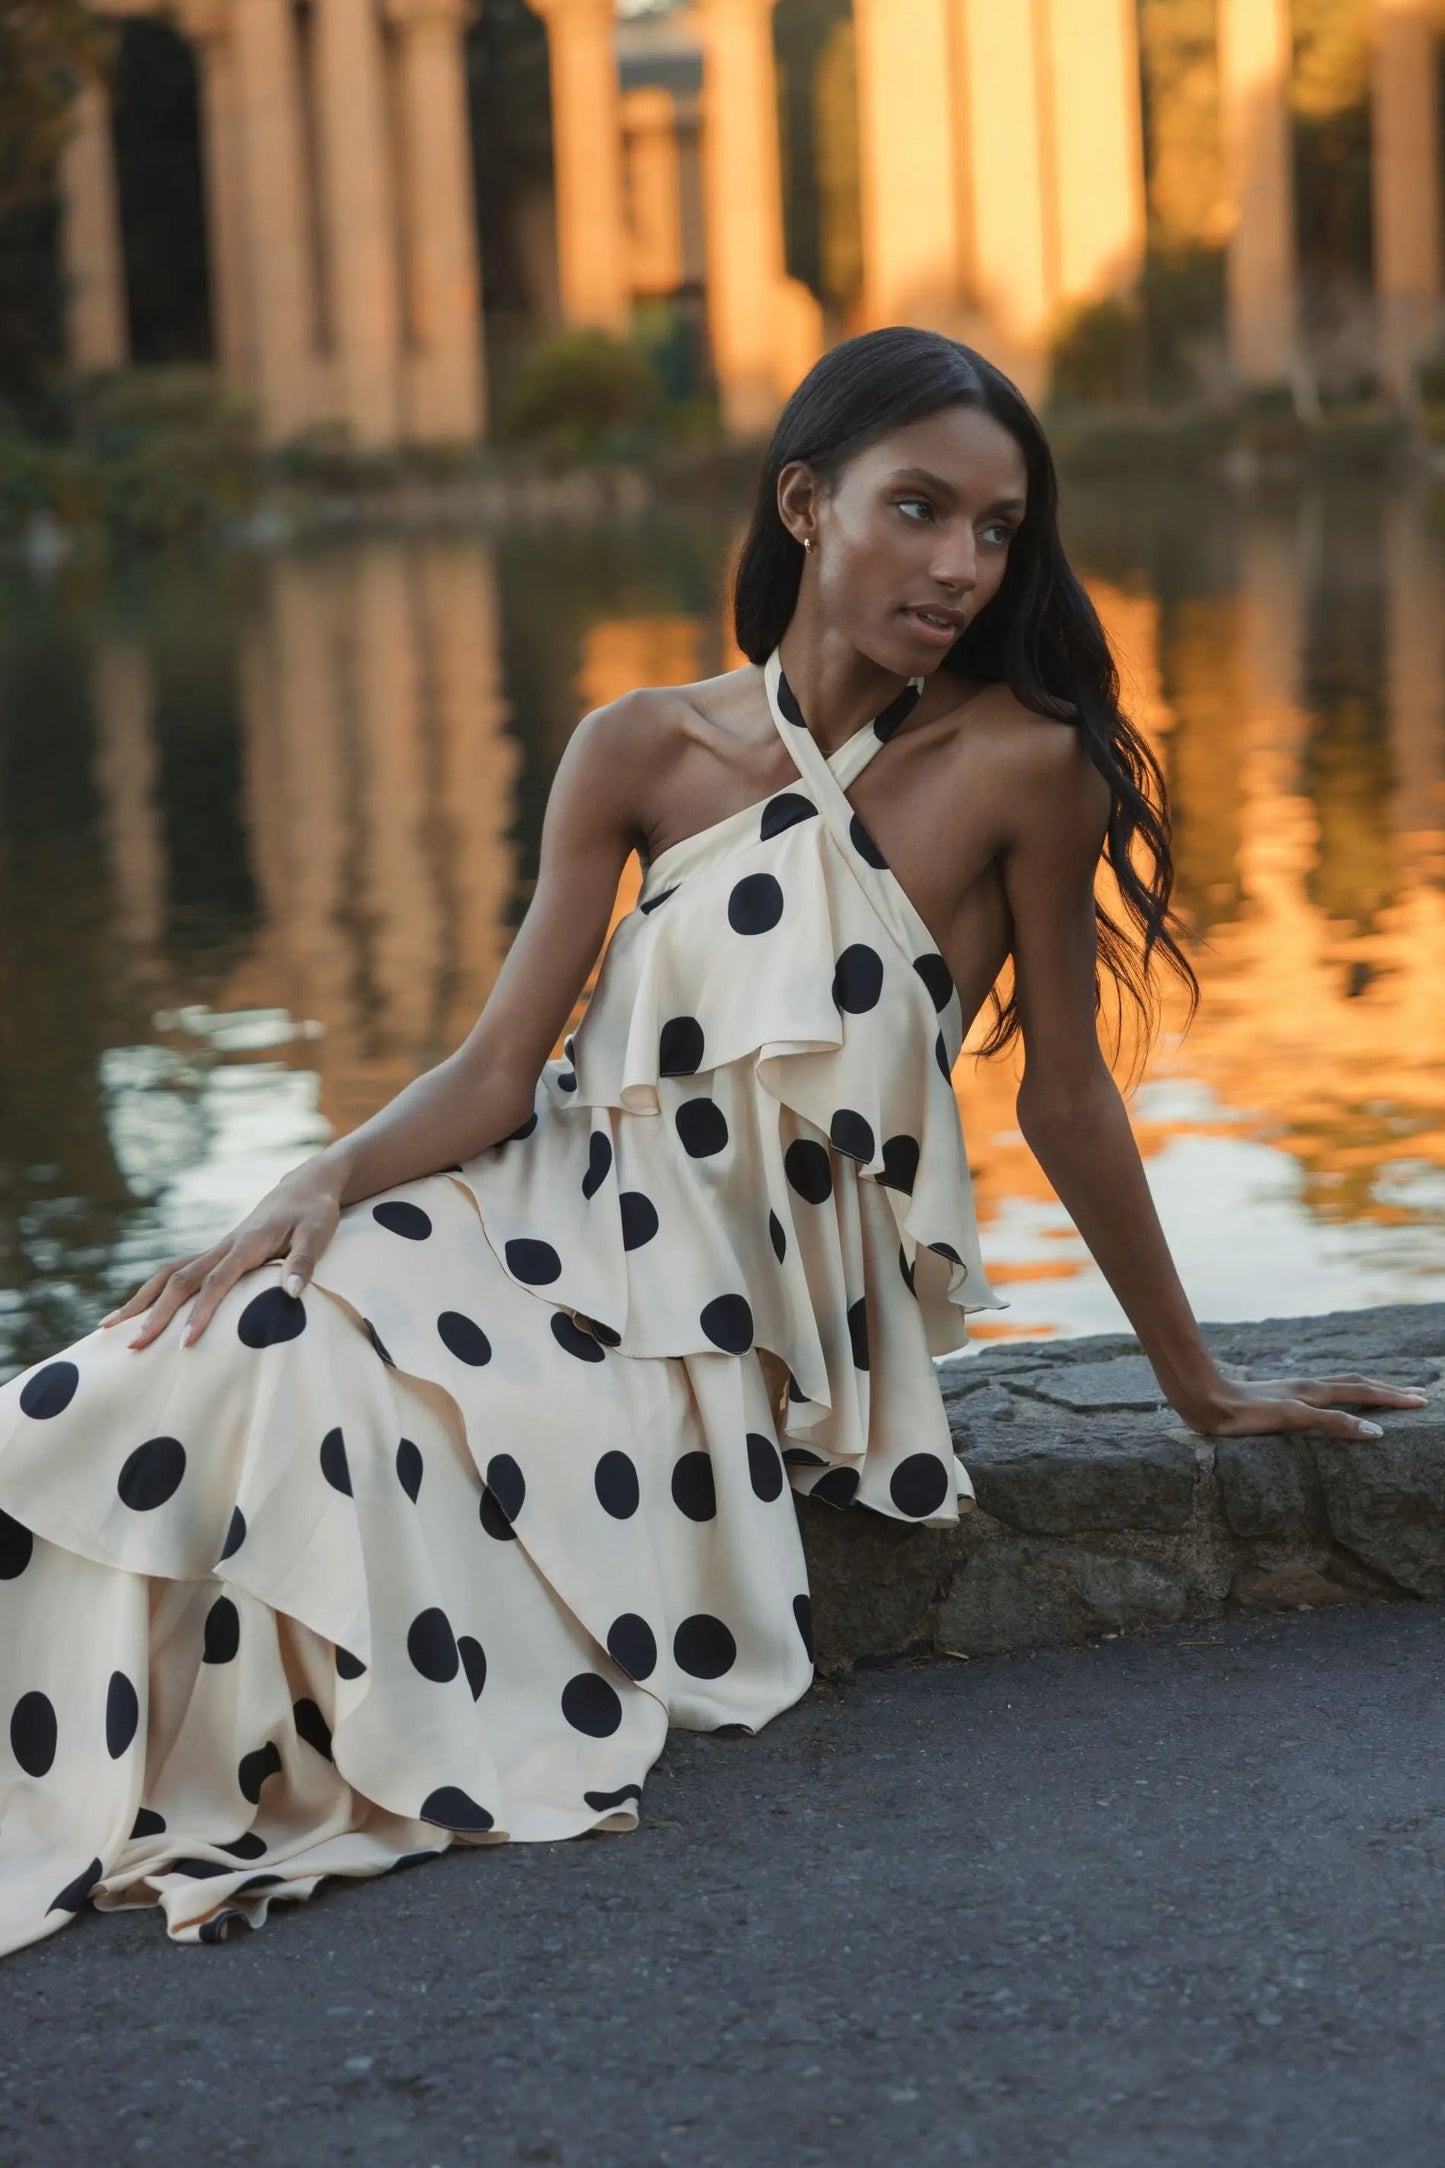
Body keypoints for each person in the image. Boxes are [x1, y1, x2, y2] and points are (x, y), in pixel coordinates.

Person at [0, 327, 1423, 1960]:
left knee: (300, 1386)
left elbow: (1066, 1099)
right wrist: (311, 1180)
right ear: (805, 504)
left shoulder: (1025, 766)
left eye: (995, 529)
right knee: (204, 1341)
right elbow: (491, 1070)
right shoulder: (639, 748)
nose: (960, 563)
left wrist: (1197, 1383)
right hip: (525, 1205)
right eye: (918, 509)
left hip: (718, 1319)